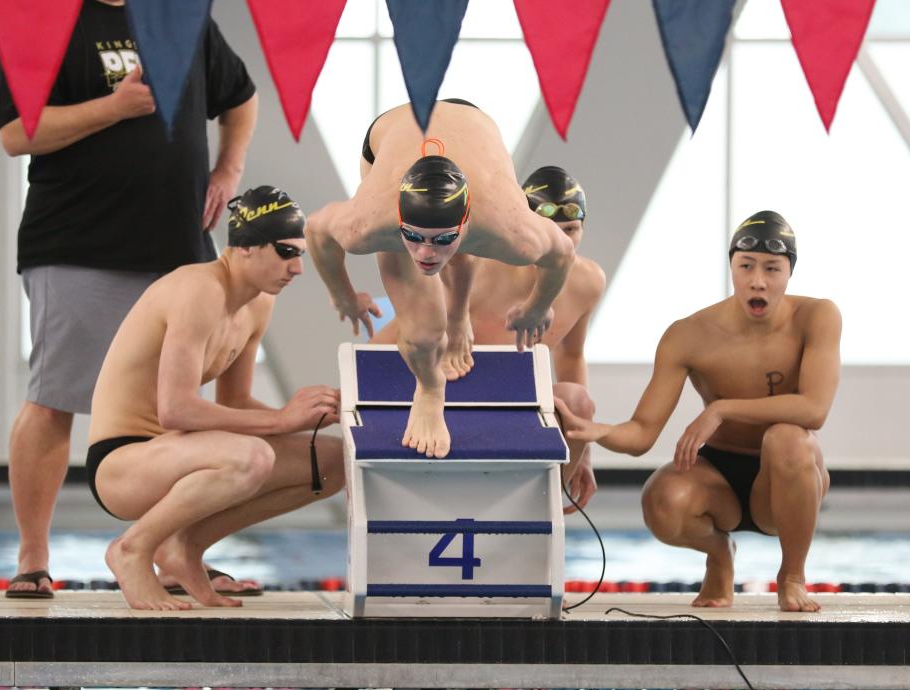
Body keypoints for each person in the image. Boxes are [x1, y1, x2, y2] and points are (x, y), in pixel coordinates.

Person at [0, 0, 258, 598]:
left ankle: (179, 549)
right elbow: (16, 134)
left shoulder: (180, 18)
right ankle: (33, 557)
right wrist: (113, 108)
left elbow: (241, 97)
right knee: (54, 397)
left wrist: (228, 170)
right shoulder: (45, 22)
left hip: (176, 244)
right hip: (76, 243)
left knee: (178, 404)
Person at [556, 211, 840, 612]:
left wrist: (720, 408)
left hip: (787, 479)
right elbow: (641, 434)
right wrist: (594, 431)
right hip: (718, 478)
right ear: (732, 268)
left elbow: (814, 409)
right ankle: (719, 554)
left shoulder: (817, 317)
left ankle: (792, 575)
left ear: (789, 272)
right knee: (662, 501)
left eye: (772, 269)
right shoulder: (689, 335)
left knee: (787, 438)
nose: (758, 280)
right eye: (746, 267)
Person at [86, 186, 344, 611]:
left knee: (332, 461)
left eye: (300, 254)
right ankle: (133, 550)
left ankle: (184, 547)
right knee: (251, 455)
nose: (297, 268)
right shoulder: (198, 289)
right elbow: (176, 409)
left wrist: (313, 418)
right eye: (285, 252)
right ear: (243, 248)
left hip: (177, 454)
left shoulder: (258, 303)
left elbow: (237, 402)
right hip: (123, 463)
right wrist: (282, 420)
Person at [306, 100, 576, 460]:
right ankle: (430, 390)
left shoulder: (513, 230)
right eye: (413, 237)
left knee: (459, 261)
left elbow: (562, 255)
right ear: (400, 221)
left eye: (443, 239)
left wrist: (537, 307)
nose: (426, 254)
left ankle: (458, 313)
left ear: (465, 223)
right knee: (422, 332)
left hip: (475, 132)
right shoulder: (368, 224)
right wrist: (343, 295)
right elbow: (315, 231)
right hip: (391, 133)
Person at [372, 166, 606, 510]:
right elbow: (400, 336)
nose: (561, 243)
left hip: (513, 406)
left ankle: (536, 518)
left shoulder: (588, 281)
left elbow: (571, 357)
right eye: (549, 230)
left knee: (578, 400)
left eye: (570, 229)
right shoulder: (476, 265)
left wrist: (584, 453)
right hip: (447, 399)